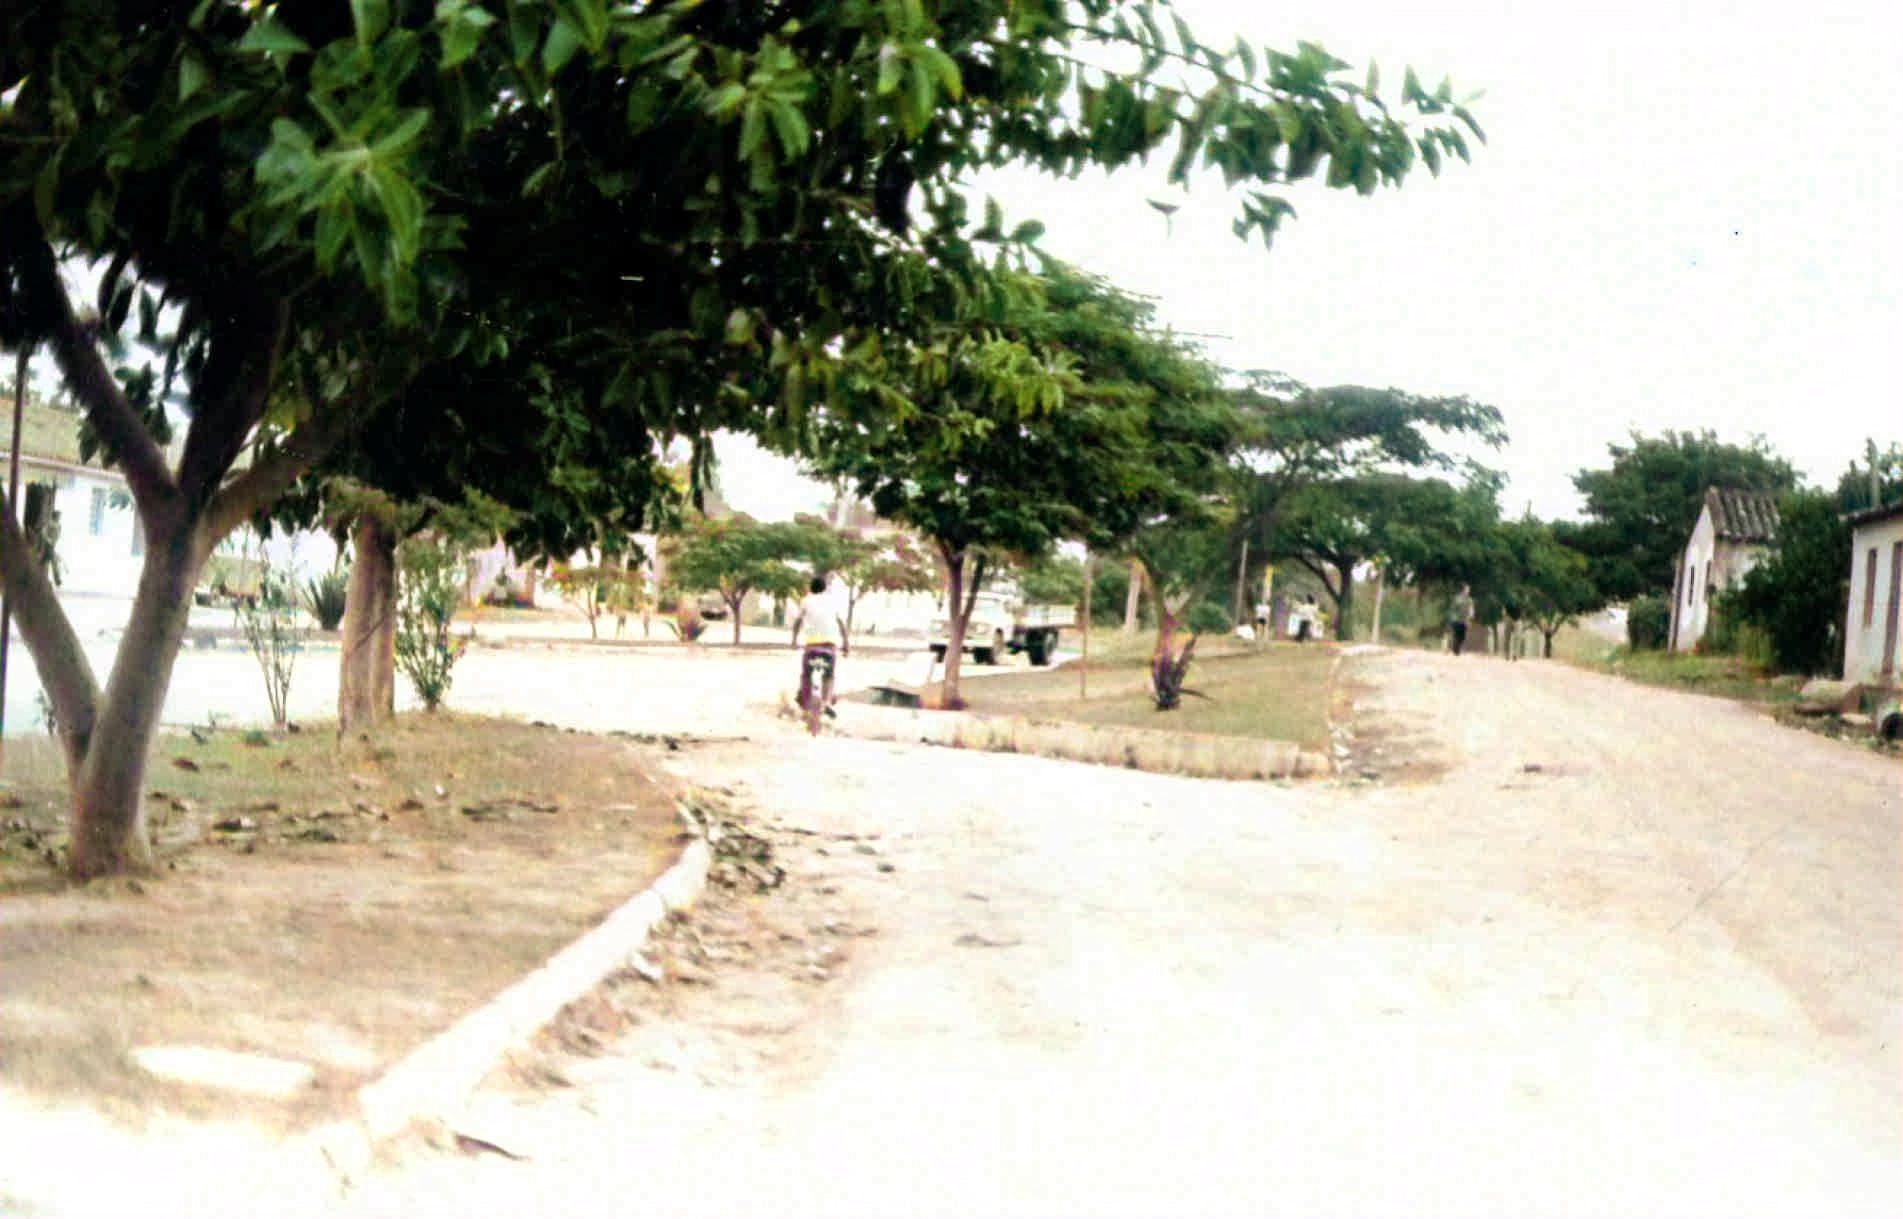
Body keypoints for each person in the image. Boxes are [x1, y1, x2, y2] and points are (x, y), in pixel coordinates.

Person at [790, 575, 842, 720]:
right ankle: (826, 702)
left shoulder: (805, 600)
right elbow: (841, 623)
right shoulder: (832, 601)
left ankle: (805, 703)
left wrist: (793, 641)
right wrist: (846, 645)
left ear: (810, 587)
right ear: (824, 588)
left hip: (812, 646)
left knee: (806, 675)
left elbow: (797, 622)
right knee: (829, 676)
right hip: (829, 646)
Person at [1448, 584, 1475, 656]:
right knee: (1456, 635)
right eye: (1466, 590)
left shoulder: (1469, 600)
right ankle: (1456, 651)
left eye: (1468, 590)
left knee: (1462, 636)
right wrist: (1452, 618)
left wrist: (1470, 617)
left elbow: (1471, 609)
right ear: (1463, 590)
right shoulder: (1457, 598)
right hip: (1456, 619)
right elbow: (1453, 609)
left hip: (1464, 620)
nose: (1468, 591)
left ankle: (1456, 649)